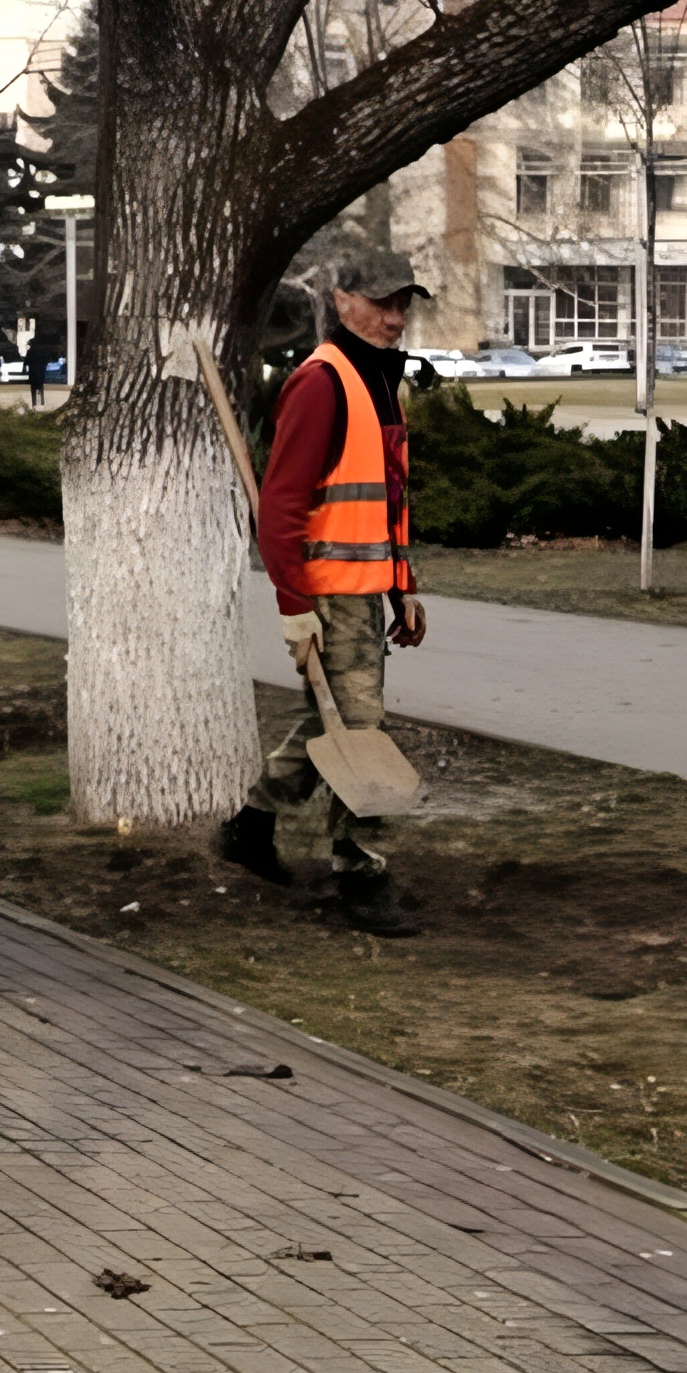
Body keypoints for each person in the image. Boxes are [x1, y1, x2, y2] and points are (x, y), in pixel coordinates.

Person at [221, 245, 428, 937]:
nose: (394, 318)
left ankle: (249, 825)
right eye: (380, 303)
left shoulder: (375, 378)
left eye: (402, 305)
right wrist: (294, 609)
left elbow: (383, 498)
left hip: (364, 591)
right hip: (327, 594)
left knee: (327, 722)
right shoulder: (322, 383)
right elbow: (279, 509)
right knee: (360, 728)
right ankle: (360, 869)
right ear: (341, 301)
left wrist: (404, 586)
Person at [23, 333, 50, 407]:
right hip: (39, 371)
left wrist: (24, 369)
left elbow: (26, 361)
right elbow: (46, 361)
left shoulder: (31, 351)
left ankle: (35, 403)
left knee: (34, 387)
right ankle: (40, 402)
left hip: (34, 371)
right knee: (39, 386)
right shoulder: (41, 351)